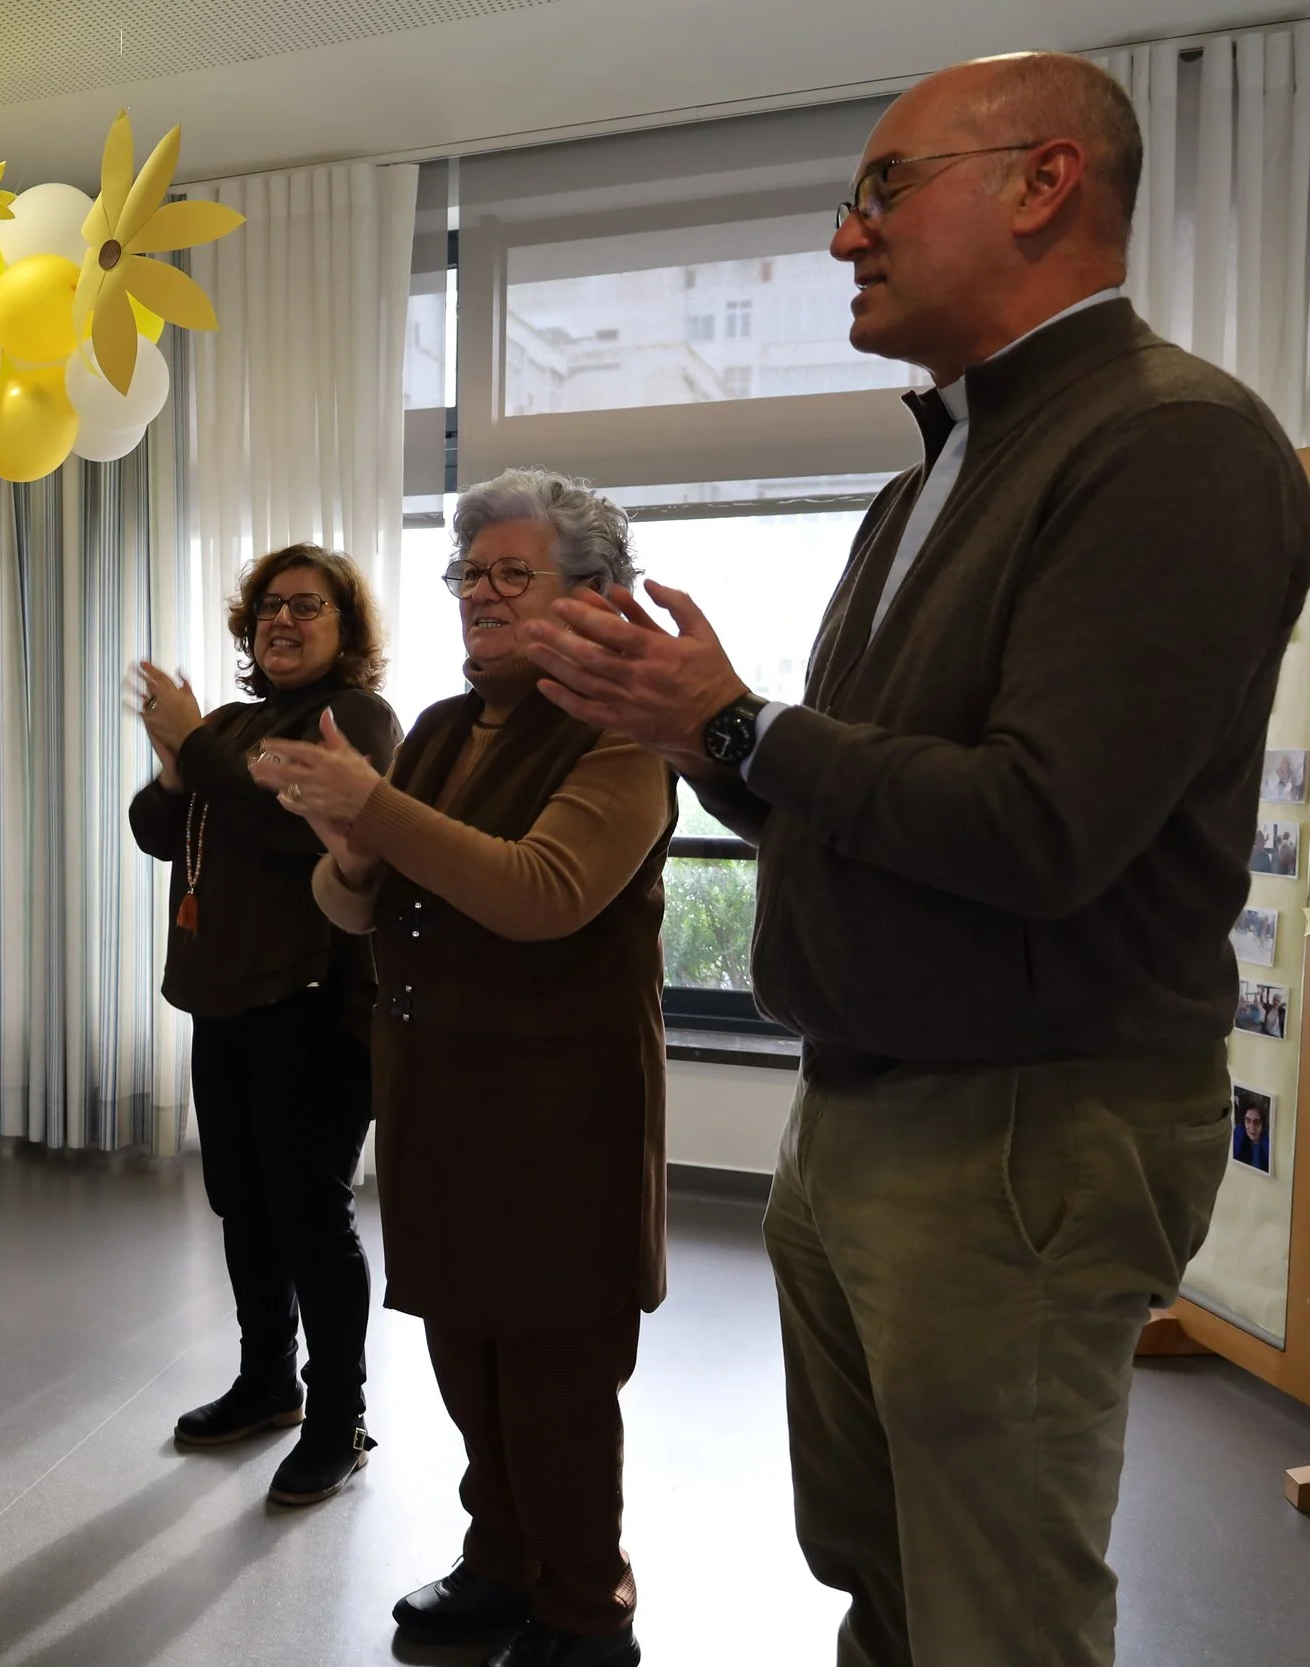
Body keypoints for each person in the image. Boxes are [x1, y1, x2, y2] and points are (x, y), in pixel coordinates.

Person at [515, 52, 1310, 1667]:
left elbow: (1042, 827)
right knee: (879, 1568)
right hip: (869, 1107)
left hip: (1025, 1121)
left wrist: (739, 722)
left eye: (883, 188)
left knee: (990, 1611)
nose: (843, 237)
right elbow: (858, 811)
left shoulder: (1174, 441)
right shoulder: (925, 484)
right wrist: (702, 740)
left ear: (1044, 182)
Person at [256, 470, 674, 1667]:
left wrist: (375, 811)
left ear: (590, 594)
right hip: (439, 1099)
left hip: (559, 1114)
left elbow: (543, 892)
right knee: (466, 1352)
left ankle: (586, 1607)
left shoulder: (622, 733)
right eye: (468, 573)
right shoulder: (442, 726)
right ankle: (499, 1560)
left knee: (554, 1373)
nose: (478, 594)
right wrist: (349, 848)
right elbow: (354, 904)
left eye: (511, 574)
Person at [126, 543, 402, 1506]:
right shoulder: (234, 725)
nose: (282, 620)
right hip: (225, 1001)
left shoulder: (352, 718)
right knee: (243, 1204)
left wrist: (195, 748)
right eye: (269, 607)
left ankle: (340, 1418)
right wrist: (177, 768)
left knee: (310, 1216)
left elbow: (293, 818)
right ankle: (268, 1381)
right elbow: (158, 831)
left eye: (307, 606)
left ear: (345, 628)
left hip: (316, 1007)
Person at [1233, 1098, 1272, 1170]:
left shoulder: (1268, 1141)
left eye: (1256, 1122)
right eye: (1248, 1120)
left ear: (1263, 1124)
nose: (1252, 1128)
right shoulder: (1239, 1133)